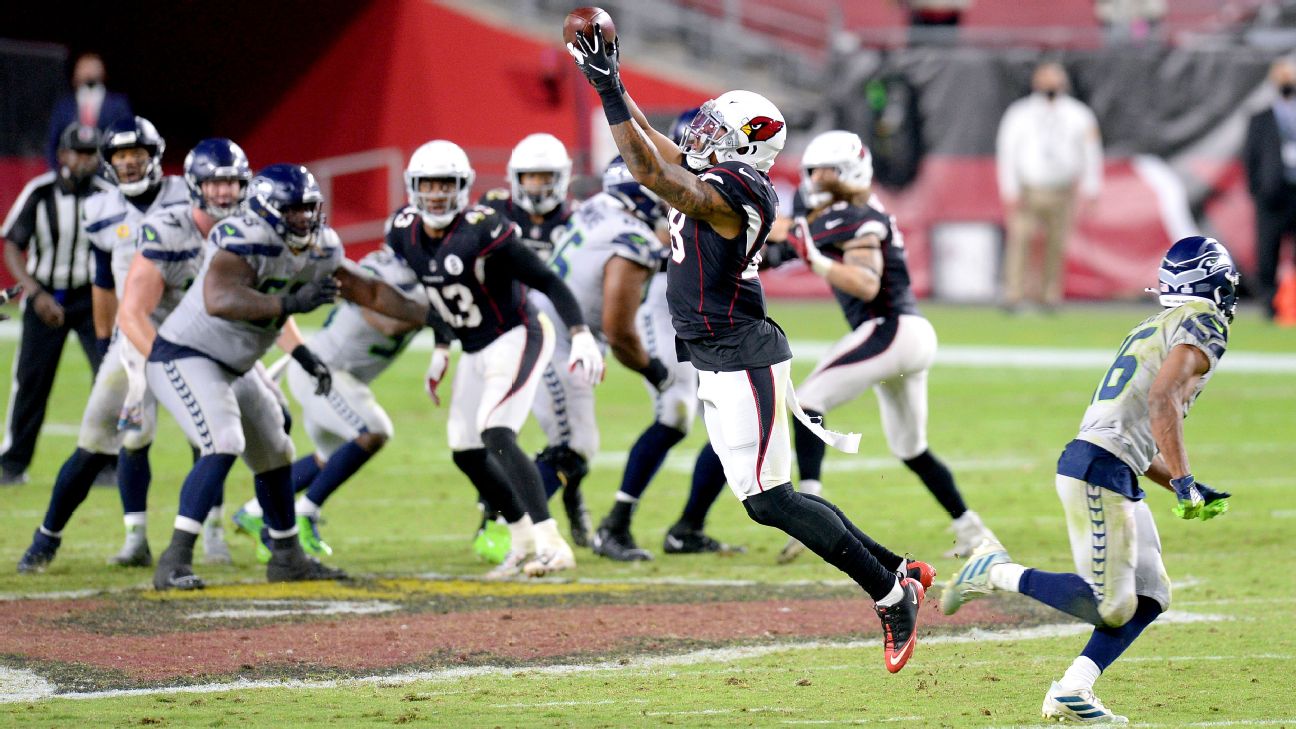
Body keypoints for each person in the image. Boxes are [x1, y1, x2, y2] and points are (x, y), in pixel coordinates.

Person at [568, 28, 931, 671]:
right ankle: (899, 569)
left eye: (715, 129)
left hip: (742, 353)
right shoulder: (723, 172)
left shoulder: (742, 189)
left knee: (769, 500)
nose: (699, 136)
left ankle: (888, 595)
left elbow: (653, 171)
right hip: (717, 351)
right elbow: (657, 149)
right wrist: (617, 82)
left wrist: (602, 88)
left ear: (745, 146)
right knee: (771, 496)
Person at [942, 235, 1238, 723]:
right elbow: (1162, 399)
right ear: (1210, 281)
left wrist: (1184, 482)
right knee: (1113, 605)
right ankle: (994, 570)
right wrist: (1183, 479)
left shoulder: (1158, 323)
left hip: (1107, 463)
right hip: (1098, 468)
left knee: (1150, 594)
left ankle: (1073, 688)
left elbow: (1135, 438)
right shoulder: (1201, 321)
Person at [145, 163, 428, 590]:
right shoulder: (244, 237)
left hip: (236, 364)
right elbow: (220, 298)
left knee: (276, 451)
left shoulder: (319, 248)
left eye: (310, 208)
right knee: (224, 441)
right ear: (265, 210)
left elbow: (366, 290)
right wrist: (290, 304)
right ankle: (175, 558)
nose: (305, 218)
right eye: (294, 210)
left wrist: (428, 316)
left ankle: (287, 555)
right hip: (184, 354)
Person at [16, 138, 247, 573]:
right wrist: (105, 344)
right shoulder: (102, 209)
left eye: (135, 155)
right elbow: (105, 283)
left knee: (214, 437)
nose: (128, 163)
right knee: (101, 440)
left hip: (200, 341)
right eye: (119, 157)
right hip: (138, 340)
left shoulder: (192, 199)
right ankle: (56, 539)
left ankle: (215, 533)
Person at [780, 130, 998, 563]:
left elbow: (865, 282)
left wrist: (812, 256)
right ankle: (972, 529)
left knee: (805, 403)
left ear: (850, 172)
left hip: (890, 329)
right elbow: (788, 238)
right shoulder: (843, 211)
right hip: (907, 335)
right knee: (911, 448)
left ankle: (810, 509)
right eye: (812, 171)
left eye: (826, 171)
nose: (816, 178)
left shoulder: (856, 214)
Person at [398, 140, 602, 578]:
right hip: (473, 345)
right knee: (465, 450)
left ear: (463, 188)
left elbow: (548, 280)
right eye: (428, 185)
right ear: (412, 188)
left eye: (445, 184)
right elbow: (437, 292)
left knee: (497, 430)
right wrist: (439, 346)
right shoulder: (402, 231)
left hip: (516, 335)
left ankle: (551, 543)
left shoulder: (483, 227)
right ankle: (523, 540)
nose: (436, 194)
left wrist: (580, 332)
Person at [231, 246, 426, 560]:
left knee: (331, 456)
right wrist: (434, 316)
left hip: (341, 378)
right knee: (372, 431)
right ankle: (304, 513)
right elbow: (383, 319)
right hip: (321, 371)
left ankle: (254, 511)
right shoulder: (391, 272)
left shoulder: (422, 279)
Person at [523, 156, 667, 562]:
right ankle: (509, 527)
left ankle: (548, 508)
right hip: (557, 339)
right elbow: (619, 330)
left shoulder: (595, 207)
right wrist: (651, 369)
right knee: (575, 445)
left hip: (545, 328)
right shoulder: (630, 236)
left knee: (569, 443)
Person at [479, 132, 592, 546]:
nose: (539, 185)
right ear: (514, 178)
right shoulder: (491, 213)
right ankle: (501, 519)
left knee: (568, 442)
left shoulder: (580, 219)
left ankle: (515, 513)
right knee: (497, 431)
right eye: (530, 177)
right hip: (505, 335)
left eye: (547, 176)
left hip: (558, 337)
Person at [0, 123, 108, 485]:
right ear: (62, 154)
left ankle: (105, 463)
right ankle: (13, 463)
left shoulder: (109, 195)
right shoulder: (40, 191)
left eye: (92, 153)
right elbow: (13, 245)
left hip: (92, 297)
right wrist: (35, 293)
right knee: (31, 381)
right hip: (44, 292)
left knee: (109, 379)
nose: (85, 160)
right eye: (79, 152)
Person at [996, 61, 1103, 313]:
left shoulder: (1079, 114)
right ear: (1036, 82)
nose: (1051, 85)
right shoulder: (1020, 113)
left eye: (1055, 79)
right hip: (1029, 188)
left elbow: (1091, 152)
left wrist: (1091, 188)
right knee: (1020, 240)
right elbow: (1007, 152)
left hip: (1063, 188)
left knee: (1056, 244)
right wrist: (1009, 188)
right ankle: (1014, 293)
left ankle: (1049, 295)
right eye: (1046, 79)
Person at [1243, 57, 1296, 321]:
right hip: (1272, 194)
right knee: (1268, 251)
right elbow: (1251, 156)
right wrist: (1258, 190)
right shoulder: (1262, 117)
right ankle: (1269, 303)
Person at [45, 52, 133, 172]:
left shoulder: (118, 103)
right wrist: (56, 171)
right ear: (76, 72)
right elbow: (53, 141)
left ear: (102, 70)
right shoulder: (64, 105)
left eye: (93, 66)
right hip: (72, 171)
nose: (89, 71)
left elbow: (126, 136)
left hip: (107, 171)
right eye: (84, 67)